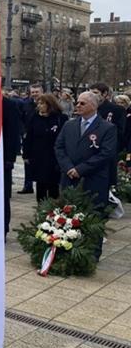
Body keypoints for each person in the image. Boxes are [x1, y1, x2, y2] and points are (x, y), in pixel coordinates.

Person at [55, 91, 116, 261]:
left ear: (94, 106)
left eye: (82, 103)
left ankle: (91, 255)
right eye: (77, 103)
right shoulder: (70, 125)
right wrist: (68, 167)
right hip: (69, 178)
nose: (78, 106)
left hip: (93, 180)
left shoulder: (107, 128)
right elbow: (59, 147)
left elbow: (106, 154)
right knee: (68, 214)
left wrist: (80, 169)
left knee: (92, 216)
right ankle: (67, 249)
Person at [23, 94, 69, 202]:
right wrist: (26, 154)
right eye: (38, 103)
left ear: (50, 104)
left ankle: (54, 210)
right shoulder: (34, 117)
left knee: (53, 185)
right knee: (41, 184)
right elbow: (28, 137)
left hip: (54, 157)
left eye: (42, 103)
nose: (39, 106)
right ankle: (41, 208)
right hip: (38, 155)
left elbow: (65, 138)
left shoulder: (60, 118)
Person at [18, 83, 45, 194]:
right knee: (27, 161)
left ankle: (42, 184)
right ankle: (28, 185)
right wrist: (23, 131)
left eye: (36, 92)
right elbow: (20, 119)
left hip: (41, 138)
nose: (34, 94)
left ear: (41, 92)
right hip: (27, 138)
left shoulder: (47, 103)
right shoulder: (25, 104)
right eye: (32, 92)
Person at [2, 93, 22, 239]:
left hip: (3, 160)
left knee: (3, 196)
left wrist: (10, 158)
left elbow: (14, 133)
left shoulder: (8, 105)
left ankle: (3, 228)